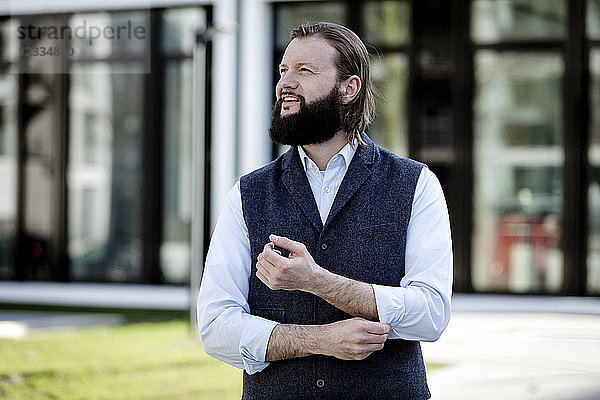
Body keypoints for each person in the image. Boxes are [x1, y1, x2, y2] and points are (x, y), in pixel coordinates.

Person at [198, 22, 452, 400]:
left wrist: (315, 280)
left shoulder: (416, 184)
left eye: (305, 70)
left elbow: (431, 314)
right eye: (283, 70)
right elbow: (216, 326)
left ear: (349, 89)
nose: (286, 82)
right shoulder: (248, 193)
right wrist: (321, 340)